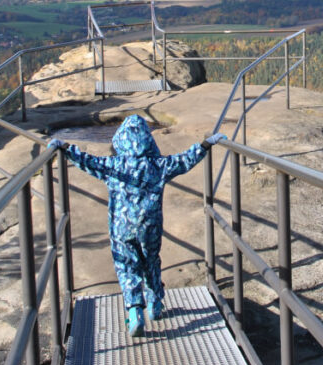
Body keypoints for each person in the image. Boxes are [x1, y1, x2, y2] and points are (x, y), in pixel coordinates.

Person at [48, 115, 227, 337]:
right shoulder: (158, 166)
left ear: (121, 139)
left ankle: (134, 311)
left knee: (127, 265)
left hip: (122, 228)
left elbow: (87, 161)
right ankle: (155, 304)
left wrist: (65, 147)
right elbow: (185, 160)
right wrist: (206, 144)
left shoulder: (113, 165)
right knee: (151, 261)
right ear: (147, 140)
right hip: (150, 227)